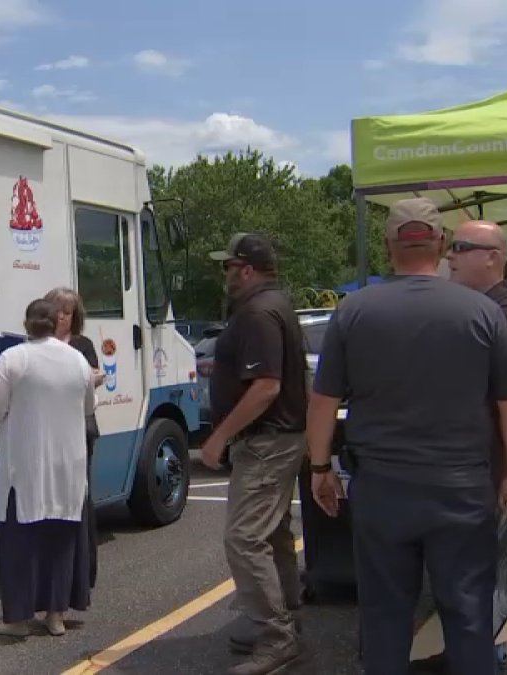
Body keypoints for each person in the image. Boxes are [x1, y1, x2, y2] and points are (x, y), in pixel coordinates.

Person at [305, 198, 507, 675]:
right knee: (470, 616)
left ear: (390, 246)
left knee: (385, 616)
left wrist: (319, 467)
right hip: (462, 491)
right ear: (440, 244)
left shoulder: (353, 312)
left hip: (383, 491)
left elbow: (322, 402)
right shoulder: (482, 313)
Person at [410, 219, 507, 675]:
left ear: (493, 256)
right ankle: (462, 657)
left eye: (461, 247)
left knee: (487, 583)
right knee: (463, 580)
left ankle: (491, 661)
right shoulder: (478, 308)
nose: (449, 255)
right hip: (472, 466)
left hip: (495, 469)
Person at [199, 233, 310, 675]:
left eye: (228, 267)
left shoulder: (259, 312)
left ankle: (276, 638)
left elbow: (267, 387)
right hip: (278, 438)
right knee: (273, 534)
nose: (224, 274)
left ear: (245, 269)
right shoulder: (272, 306)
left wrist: (218, 437)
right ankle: (285, 622)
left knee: (244, 538)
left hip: (267, 440)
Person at [0, 298, 95, 638]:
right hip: (68, 466)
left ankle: (16, 619)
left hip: (25, 467)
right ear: (57, 321)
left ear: (28, 324)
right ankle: (55, 616)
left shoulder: (14, 358)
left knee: (20, 543)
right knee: (60, 541)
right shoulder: (77, 360)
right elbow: (89, 405)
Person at [45, 287, 107, 592]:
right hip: (44, 434)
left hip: (79, 430)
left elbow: (97, 376)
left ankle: (82, 572)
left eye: (66, 312)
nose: (60, 317)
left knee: (80, 499)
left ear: (74, 317)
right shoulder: (35, 344)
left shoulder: (82, 345)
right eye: (56, 310)